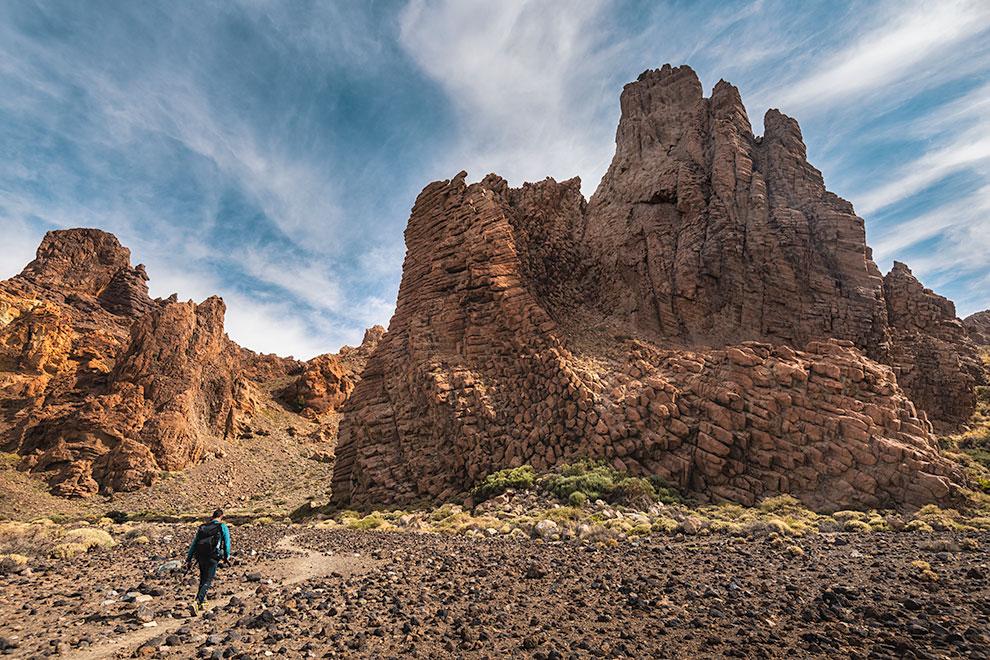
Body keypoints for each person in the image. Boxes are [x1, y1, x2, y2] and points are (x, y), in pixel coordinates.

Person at [185, 508, 231, 614]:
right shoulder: (222, 526)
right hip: (213, 556)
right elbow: (227, 543)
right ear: (221, 516)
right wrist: (226, 556)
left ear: (212, 516)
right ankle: (197, 602)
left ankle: (202, 602)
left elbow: (194, 543)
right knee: (208, 580)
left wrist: (189, 558)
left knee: (203, 578)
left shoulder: (203, 527)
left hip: (200, 556)